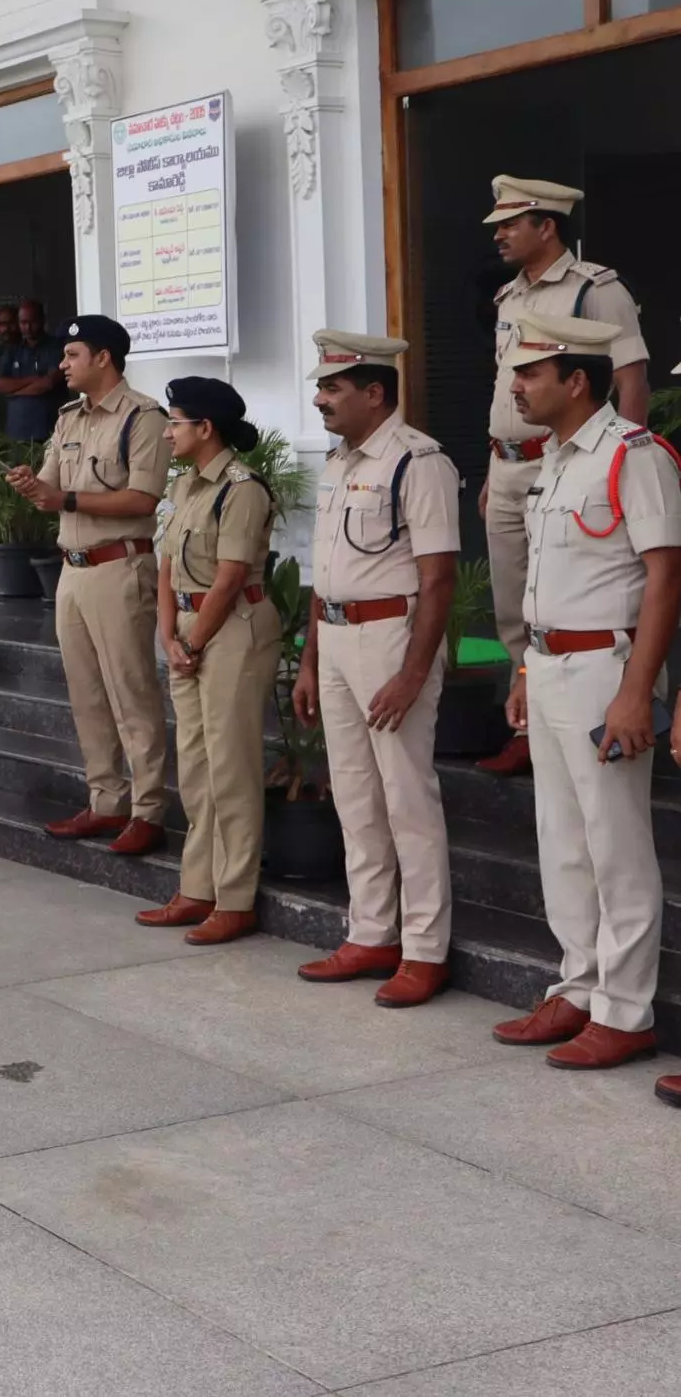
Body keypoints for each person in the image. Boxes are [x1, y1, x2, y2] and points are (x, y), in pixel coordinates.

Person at [489, 313, 680, 1070]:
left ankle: (625, 1010)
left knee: (615, 845)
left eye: (529, 374)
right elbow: (546, 583)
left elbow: (664, 576)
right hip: (551, 667)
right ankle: (577, 986)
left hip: (607, 668)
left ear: (575, 380)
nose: (516, 387)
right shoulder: (555, 459)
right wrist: (524, 670)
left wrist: (637, 694)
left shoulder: (633, 455)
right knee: (561, 842)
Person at [290, 332, 460, 1005]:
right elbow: (322, 573)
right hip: (333, 639)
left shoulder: (418, 462)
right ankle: (371, 932)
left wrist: (414, 672)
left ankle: (423, 947)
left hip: (392, 638)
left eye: (332, 388)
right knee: (355, 794)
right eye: (319, 387)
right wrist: (307, 659)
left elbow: (439, 577)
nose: (319, 399)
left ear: (373, 392)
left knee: (405, 796)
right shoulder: (335, 463)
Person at [477, 177, 650, 776]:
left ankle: (632, 707)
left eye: (509, 224)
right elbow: (508, 390)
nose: (498, 235)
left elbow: (630, 381)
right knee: (514, 604)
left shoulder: (595, 290)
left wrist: (614, 466)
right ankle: (529, 720)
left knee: (585, 595)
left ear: (546, 226)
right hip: (507, 465)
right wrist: (490, 468)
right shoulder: (507, 297)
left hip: (572, 464)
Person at [6, 315, 173, 855]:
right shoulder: (67, 418)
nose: (62, 365)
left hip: (119, 568)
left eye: (72, 354)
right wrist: (33, 486)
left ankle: (148, 809)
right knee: (87, 694)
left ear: (103, 358)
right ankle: (106, 801)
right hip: (72, 571)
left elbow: (144, 499)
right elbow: (51, 487)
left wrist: (66, 501)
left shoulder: (144, 417)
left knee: (131, 692)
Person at [131, 379, 279, 946]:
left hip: (233, 626)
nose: (167, 432)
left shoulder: (241, 489)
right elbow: (166, 565)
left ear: (205, 428)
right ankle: (197, 887)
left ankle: (235, 896)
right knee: (194, 764)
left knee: (231, 763)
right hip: (188, 631)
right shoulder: (186, 486)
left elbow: (231, 575)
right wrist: (169, 635)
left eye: (175, 423)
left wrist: (192, 642)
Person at [0, 298, 64, 443]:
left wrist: (13, 391)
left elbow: (47, 384)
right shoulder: (13, 349)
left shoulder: (55, 347)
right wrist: (34, 379)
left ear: (42, 320)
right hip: (16, 432)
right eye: (23, 323)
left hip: (47, 430)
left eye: (32, 322)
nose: (28, 327)